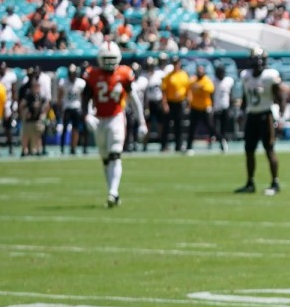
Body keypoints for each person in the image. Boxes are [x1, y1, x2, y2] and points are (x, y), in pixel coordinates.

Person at [82, 41, 146, 207]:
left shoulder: (124, 74)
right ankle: (112, 191)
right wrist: (86, 115)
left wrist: (142, 122)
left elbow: (134, 99)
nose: (109, 62)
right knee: (105, 158)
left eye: (112, 58)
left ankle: (113, 192)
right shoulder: (93, 74)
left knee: (115, 154)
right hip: (99, 118)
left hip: (116, 116)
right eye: (106, 58)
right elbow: (86, 98)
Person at [234, 47, 285, 195]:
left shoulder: (270, 76)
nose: (257, 64)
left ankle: (275, 182)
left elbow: (280, 97)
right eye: (255, 60)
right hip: (252, 115)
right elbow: (245, 97)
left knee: (269, 149)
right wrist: (242, 112)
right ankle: (250, 182)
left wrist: (280, 116)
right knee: (249, 150)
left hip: (265, 115)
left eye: (259, 60)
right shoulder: (246, 75)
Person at [57, 64, 88, 155]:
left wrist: (83, 108)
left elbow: (83, 97)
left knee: (76, 129)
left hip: (76, 108)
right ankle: (62, 147)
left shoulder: (81, 83)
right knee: (65, 129)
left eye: (74, 73)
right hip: (67, 107)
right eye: (71, 73)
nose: (72, 75)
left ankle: (73, 147)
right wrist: (60, 107)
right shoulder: (63, 82)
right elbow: (60, 96)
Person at [185, 62, 216, 153]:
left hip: (205, 108)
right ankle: (189, 147)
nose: (200, 73)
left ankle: (222, 142)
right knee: (192, 128)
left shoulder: (206, 80)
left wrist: (199, 86)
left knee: (211, 126)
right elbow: (188, 91)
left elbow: (209, 89)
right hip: (195, 107)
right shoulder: (193, 80)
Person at [161, 55, 190, 153]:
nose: (175, 65)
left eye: (177, 63)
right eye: (174, 63)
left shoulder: (184, 75)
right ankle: (164, 145)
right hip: (170, 102)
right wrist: (165, 104)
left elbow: (188, 90)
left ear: (179, 64)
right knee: (167, 125)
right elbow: (164, 91)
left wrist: (188, 103)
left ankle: (178, 145)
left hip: (180, 102)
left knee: (179, 125)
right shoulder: (169, 76)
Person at [16, 72, 47, 157]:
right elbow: (22, 105)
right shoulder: (28, 96)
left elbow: (46, 105)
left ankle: (38, 150)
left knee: (38, 135)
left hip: (37, 119)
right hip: (28, 119)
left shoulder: (40, 96)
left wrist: (43, 114)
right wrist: (24, 113)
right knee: (26, 135)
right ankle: (24, 150)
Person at [211, 63, 234, 152]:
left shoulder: (229, 81)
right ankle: (222, 141)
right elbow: (211, 94)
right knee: (215, 127)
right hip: (216, 108)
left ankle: (222, 141)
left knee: (224, 128)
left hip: (225, 106)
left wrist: (231, 104)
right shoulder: (213, 81)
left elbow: (230, 93)